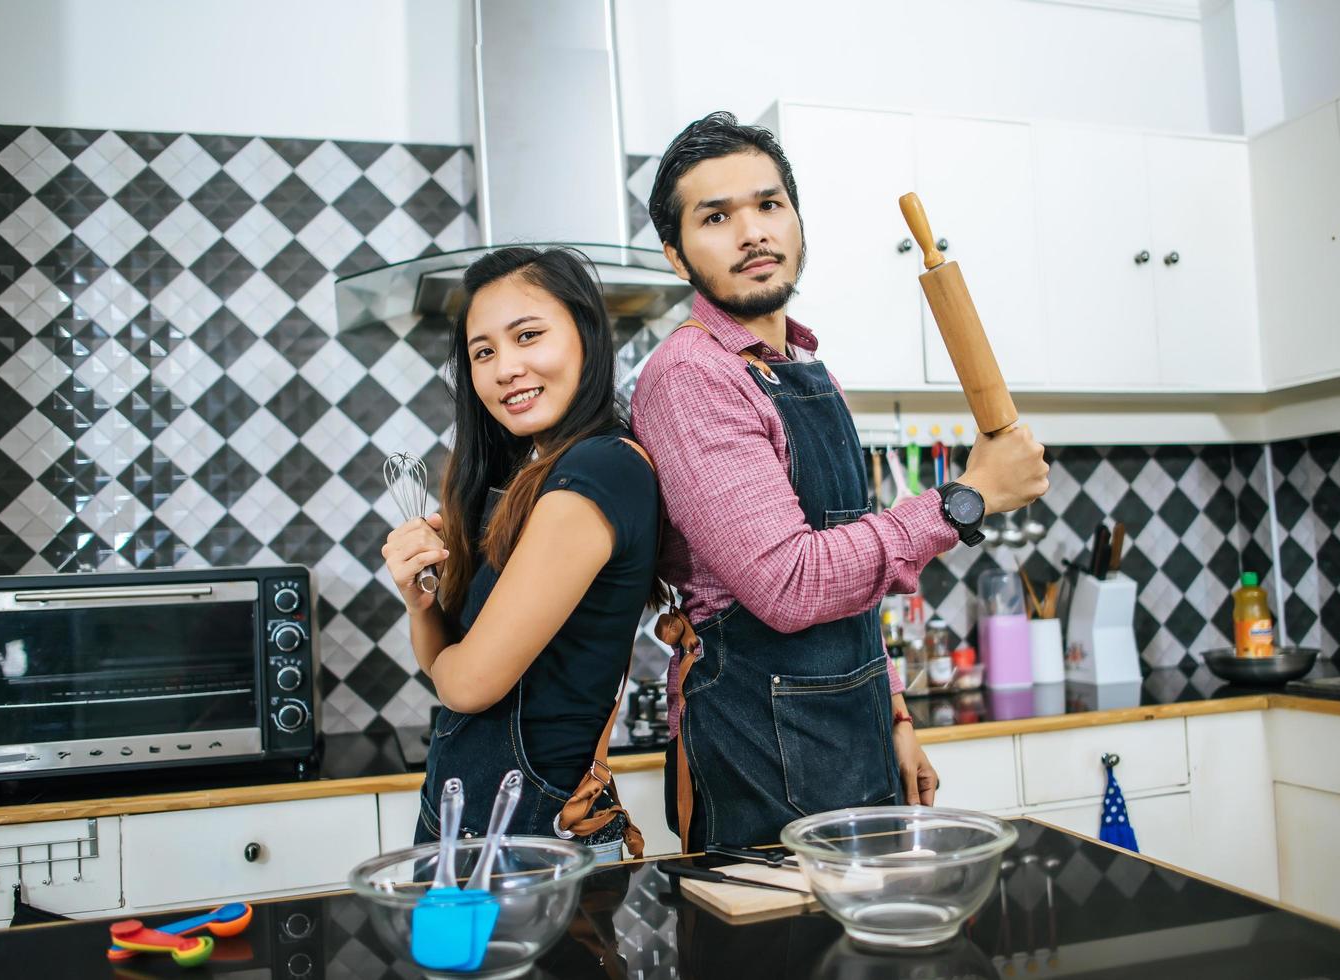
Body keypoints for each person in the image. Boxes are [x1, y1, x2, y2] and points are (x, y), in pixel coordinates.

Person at [631, 112, 1050, 849]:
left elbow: (849, 567)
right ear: (675, 255)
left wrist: (893, 716)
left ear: (796, 220)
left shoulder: (802, 367)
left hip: (850, 730)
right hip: (755, 749)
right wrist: (964, 499)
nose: (753, 231)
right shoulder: (691, 376)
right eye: (716, 216)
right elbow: (789, 583)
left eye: (768, 205)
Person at [383, 246, 662, 855]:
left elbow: (467, 685)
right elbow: (444, 669)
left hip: (532, 835)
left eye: (528, 335)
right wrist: (420, 601)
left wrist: (452, 655)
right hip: (479, 822)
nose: (505, 367)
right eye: (483, 352)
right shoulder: (528, 479)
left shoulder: (600, 469)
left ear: (586, 334)